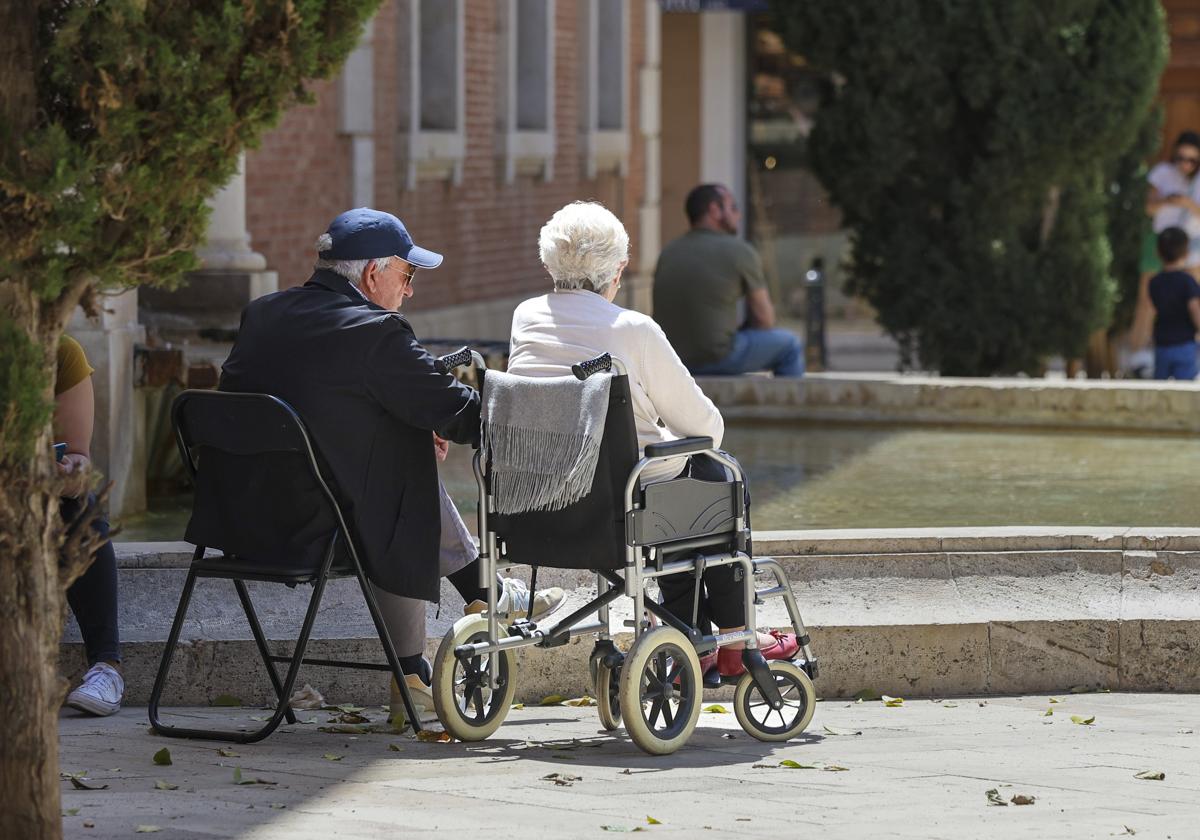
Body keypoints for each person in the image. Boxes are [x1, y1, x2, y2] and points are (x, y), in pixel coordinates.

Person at [218, 208, 564, 715]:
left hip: (236, 523)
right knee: (401, 470)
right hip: (323, 529)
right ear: (373, 273)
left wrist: (403, 427)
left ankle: (440, 645)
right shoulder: (375, 331)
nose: (410, 290)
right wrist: (544, 421)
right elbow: (462, 415)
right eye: (408, 274)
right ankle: (424, 660)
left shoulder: (263, 313)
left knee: (396, 450)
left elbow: (311, 409)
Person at [507, 201, 799, 680]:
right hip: (622, 504)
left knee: (685, 482)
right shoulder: (632, 329)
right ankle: (732, 638)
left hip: (539, 502)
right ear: (618, 268)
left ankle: (692, 636)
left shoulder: (525, 317)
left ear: (549, 262)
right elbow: (706, 427)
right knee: (714, 474)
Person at [653, 183, 804, 378]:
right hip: (719, 357)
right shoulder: (740, 251)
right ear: (715, 210)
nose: (738, 215)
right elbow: (765, 319)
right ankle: (790, 410)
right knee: (790, 345)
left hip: (672, 359)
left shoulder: (668, 252)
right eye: (733, 207)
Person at [57, 335, 125, 716]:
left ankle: (106, 667)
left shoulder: (62, 352)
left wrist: (66, 472)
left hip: (32, 497)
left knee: (81, 511)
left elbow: (79, 457)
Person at [1147, 226, 1200, 381]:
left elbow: (1152, 312)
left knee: (1160, 388)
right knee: (1184, 390)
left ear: (1158, 253)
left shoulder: (1154, 282)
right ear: (1186, 253)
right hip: (1185, 344)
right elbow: (1195, 310)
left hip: (1161, 344)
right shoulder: (1187, 281)